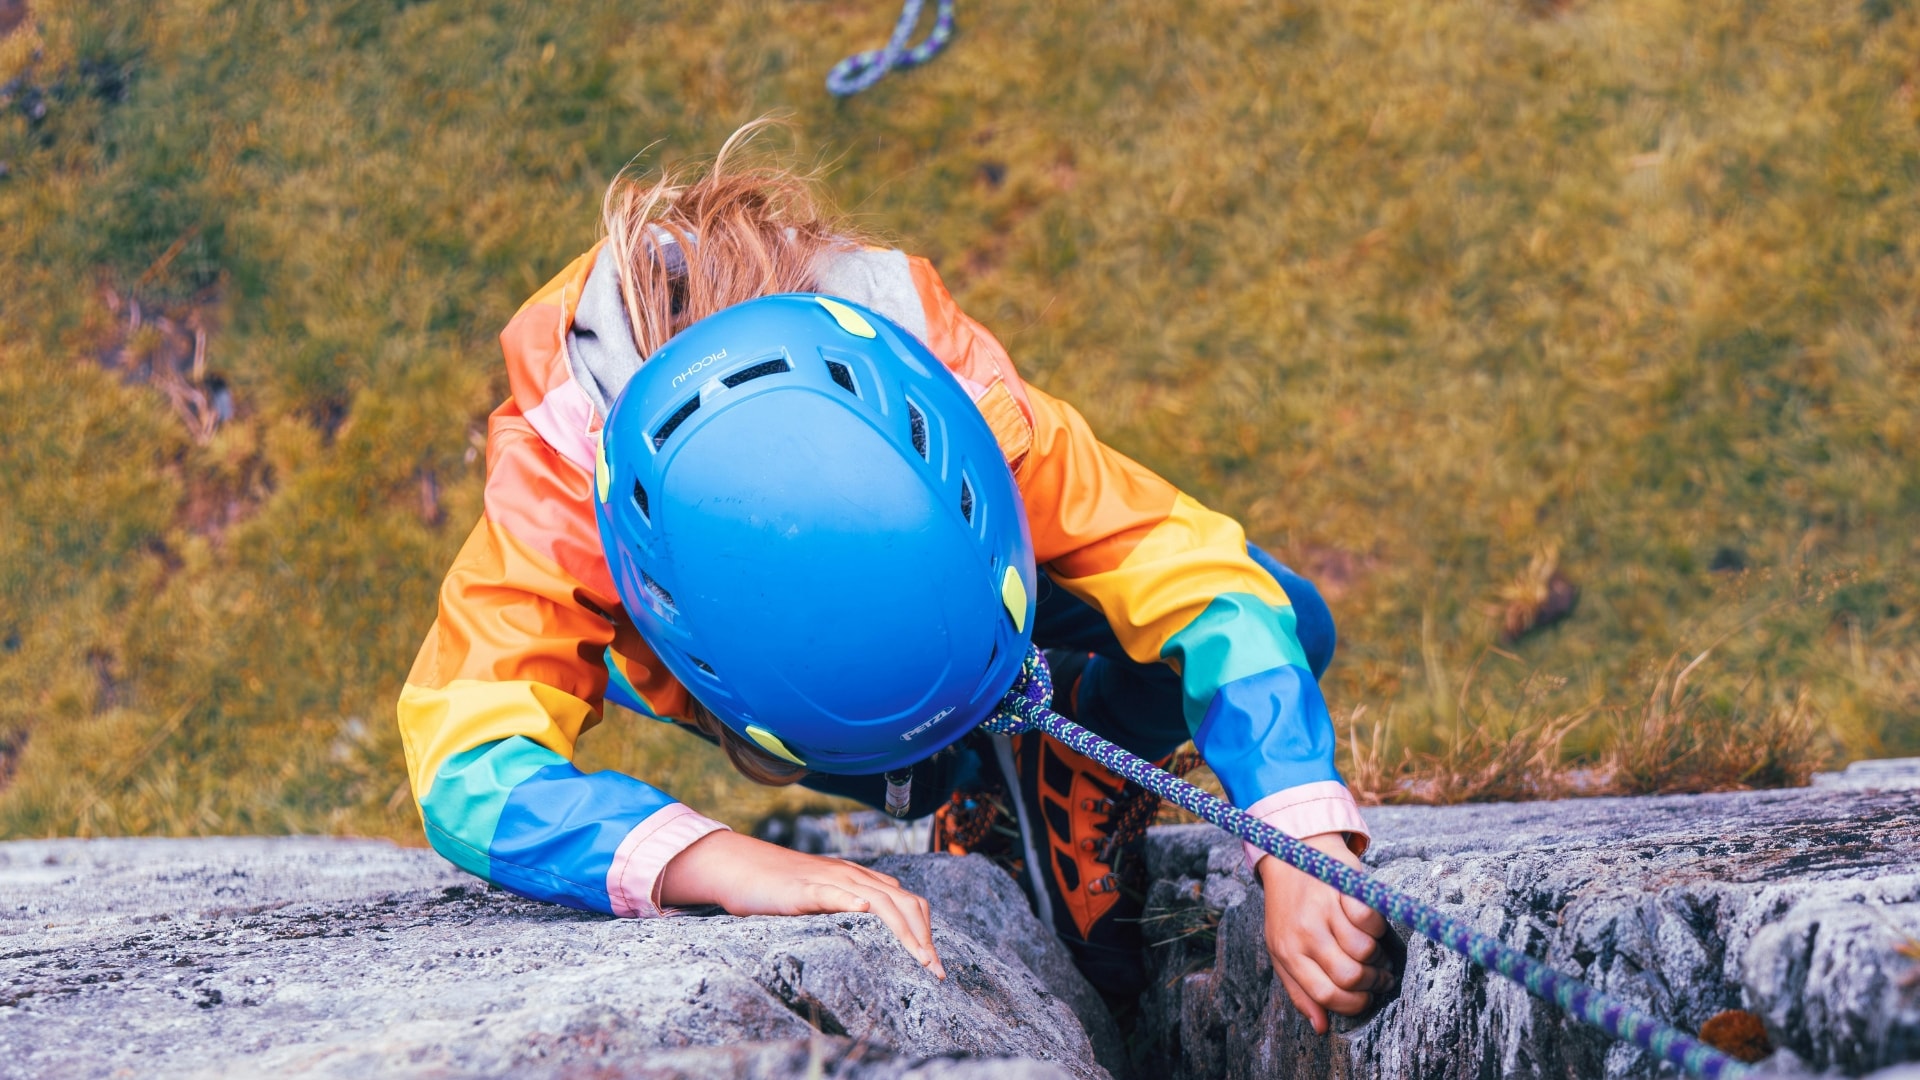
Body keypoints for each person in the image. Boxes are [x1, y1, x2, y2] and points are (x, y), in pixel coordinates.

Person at [396, 124, 1391, 1032]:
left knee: (1289, 619)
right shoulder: (560, 489)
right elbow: (466, 767)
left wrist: (1297, 822)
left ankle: (1072, 752)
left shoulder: (949, 400)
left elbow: (1199, 576)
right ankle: (964, 783)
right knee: (911, 759)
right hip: (775, 693)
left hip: (960, 606)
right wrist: (735, 867)